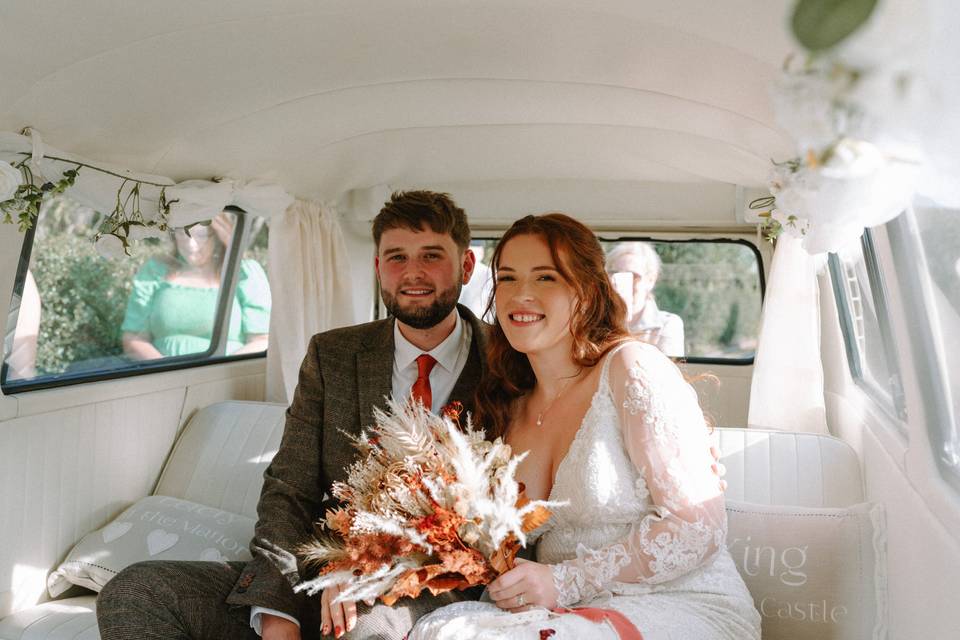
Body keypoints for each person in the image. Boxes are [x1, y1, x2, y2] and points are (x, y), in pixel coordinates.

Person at [96, 190, 488, 640]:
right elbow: (290, 488)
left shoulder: (508, 362)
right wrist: (275, 609)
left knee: (368, 627)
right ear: (378, 268)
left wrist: (367, 576)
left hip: (434, 585)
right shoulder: (333, 354)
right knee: (135, 589)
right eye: (396, 257)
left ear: (466, 266)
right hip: (315, 571)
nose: (412, 272)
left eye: (431, 256)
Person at [411, 214, 759, 640]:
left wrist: (563, 581)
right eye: (507, 278)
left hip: (679, 601)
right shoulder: (506, 407)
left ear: (587, 291)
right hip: (561, 612)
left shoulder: (631, 368)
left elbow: (699, 527)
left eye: (546, 278)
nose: (521, 295)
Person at [121, 211, 270, 360]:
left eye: (202, 235)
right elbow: (133, 338)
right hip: (162, 378)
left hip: (224, 377)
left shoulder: (244, 272)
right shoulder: (155, 270)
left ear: (217, 236)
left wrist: (215, 372)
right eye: (182, 233)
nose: (191, 244)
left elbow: (262, 341)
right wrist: (168, 373)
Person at [605, 242, 685, 357]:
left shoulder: (667, 325)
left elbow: (667, 372)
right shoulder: (594, 323)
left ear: (650, 280)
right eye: (615, 274)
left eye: (633, 276)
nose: (622, 283)